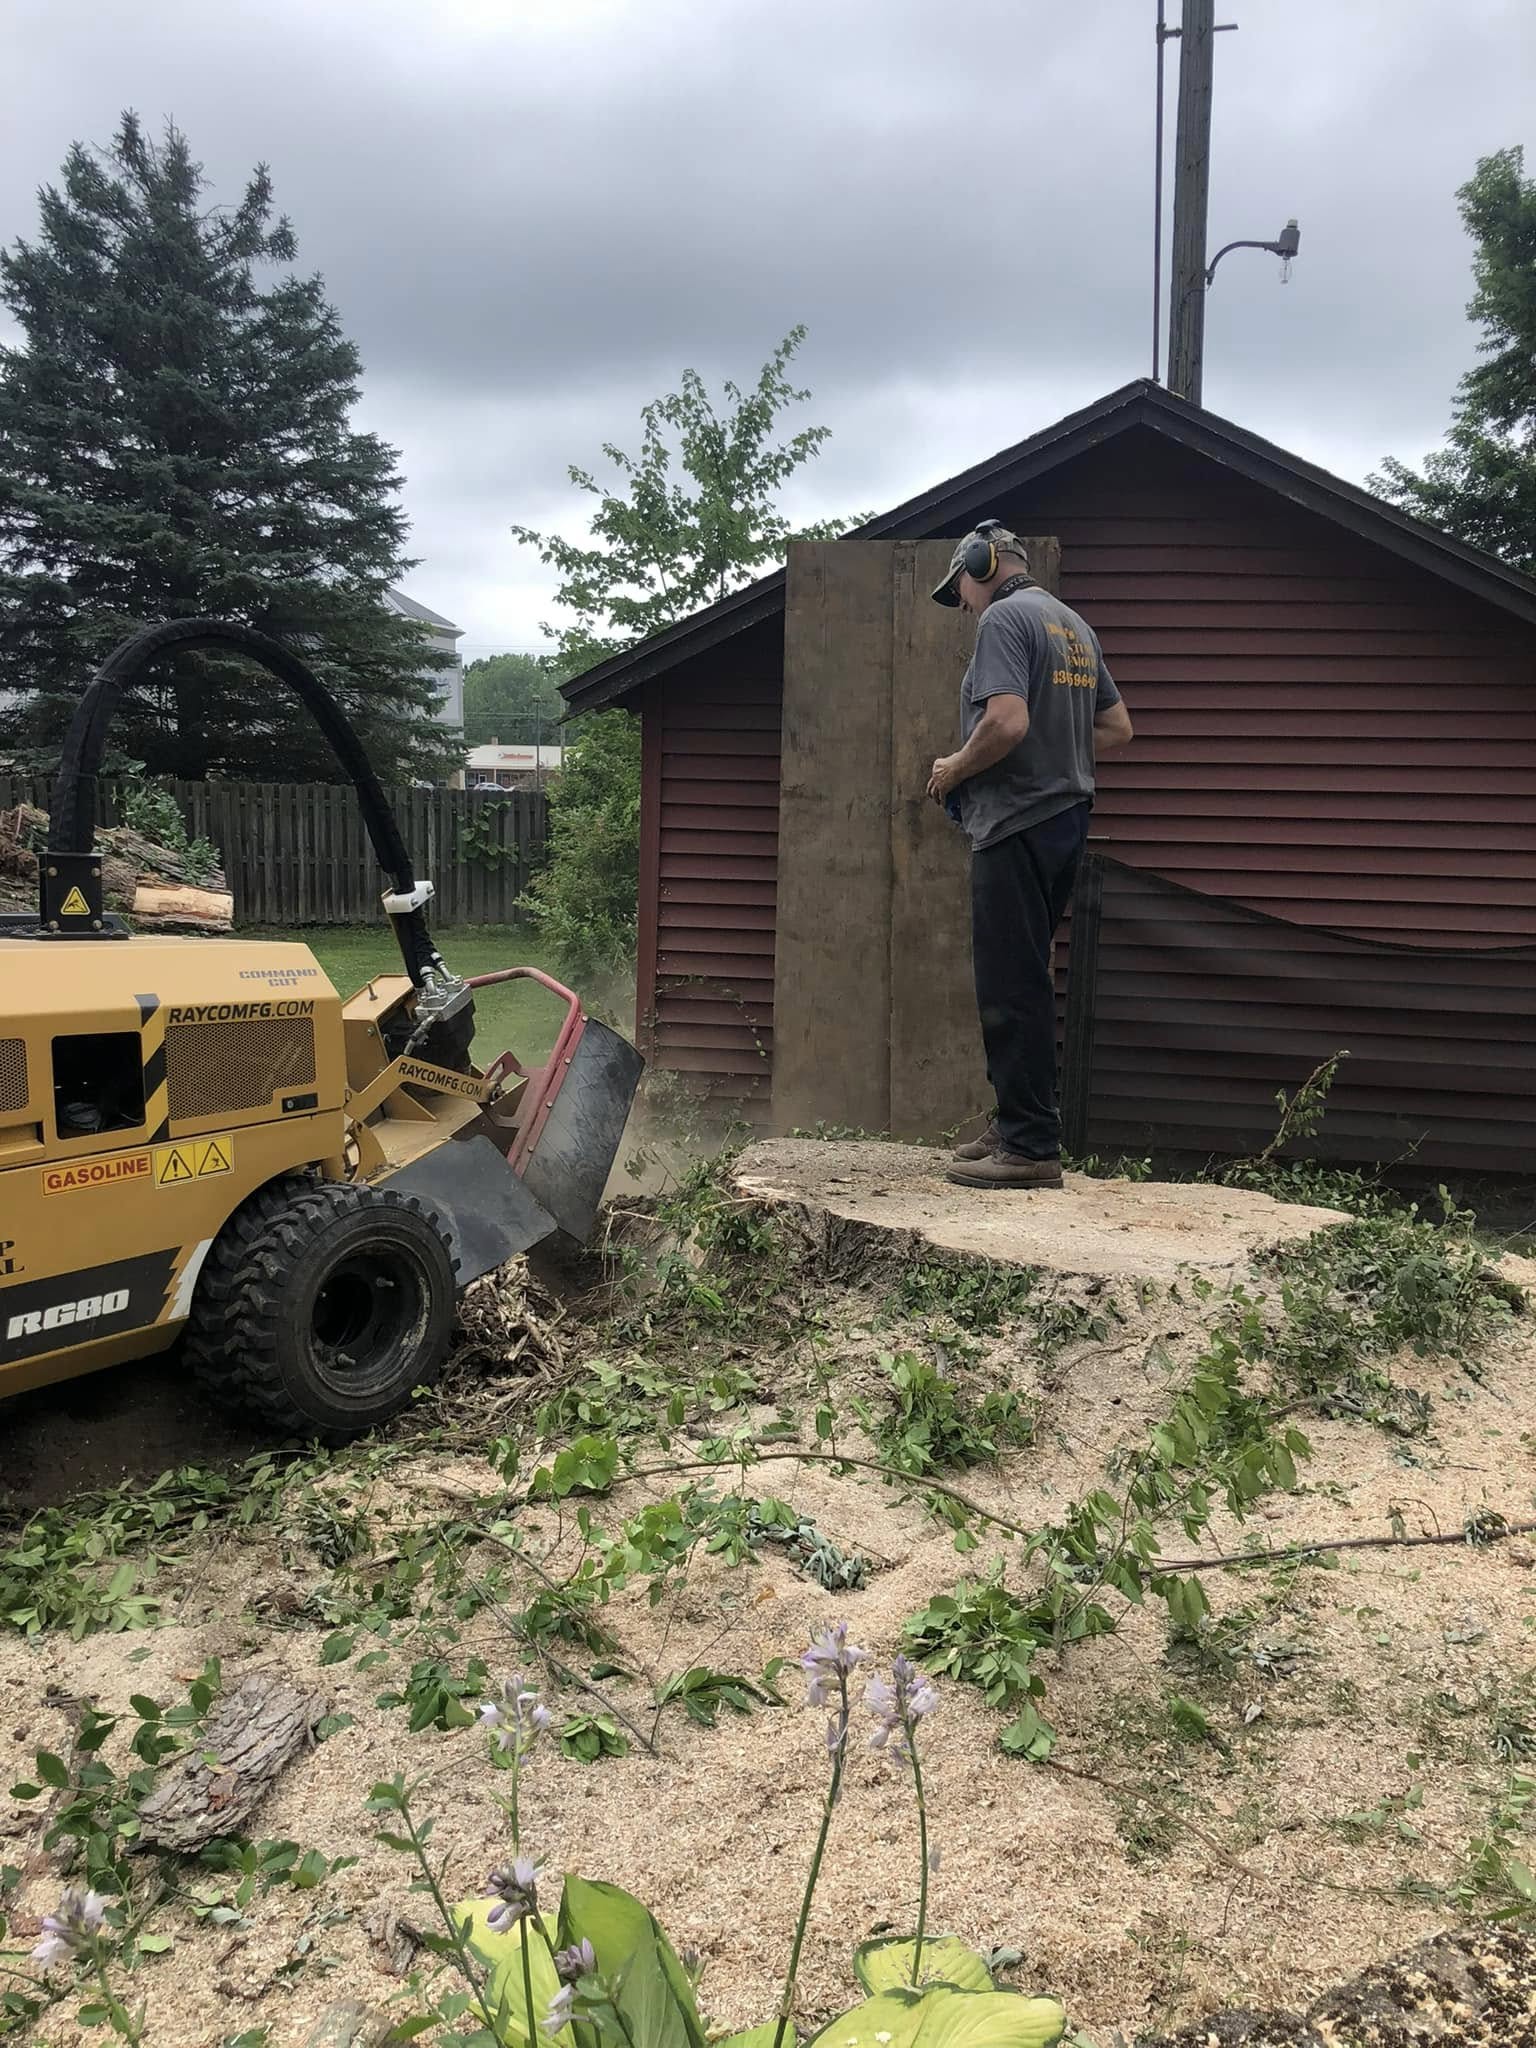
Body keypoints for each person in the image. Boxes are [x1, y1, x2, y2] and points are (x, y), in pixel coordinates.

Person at [927, 520, 1133, 1189]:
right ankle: (1015, 1120)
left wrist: (956, 766)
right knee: (1026, 975)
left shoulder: (1005, 620)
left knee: (1008, 981)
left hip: (1016, 821)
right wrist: (1057, 750)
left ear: (981, 564)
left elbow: (1008, 721)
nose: (961, 603)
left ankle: (1030, 1147)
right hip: (1066, 817)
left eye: (958, 586)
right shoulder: (1072, 625)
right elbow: (1116, 728)